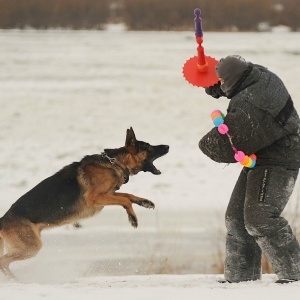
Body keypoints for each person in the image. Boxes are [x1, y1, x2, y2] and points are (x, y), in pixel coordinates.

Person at [199, 55, 300, 284]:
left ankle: (296, 275)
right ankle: (241, 279)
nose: (222, 85)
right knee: (236, 219)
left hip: (279, 158)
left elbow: (228, 145)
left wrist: (203, 145)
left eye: (223, 81)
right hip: (262, 153)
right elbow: (238, 82)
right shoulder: (258, 75)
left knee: (260, 218)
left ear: (234, 79)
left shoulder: (252, 105)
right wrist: (220, 87)